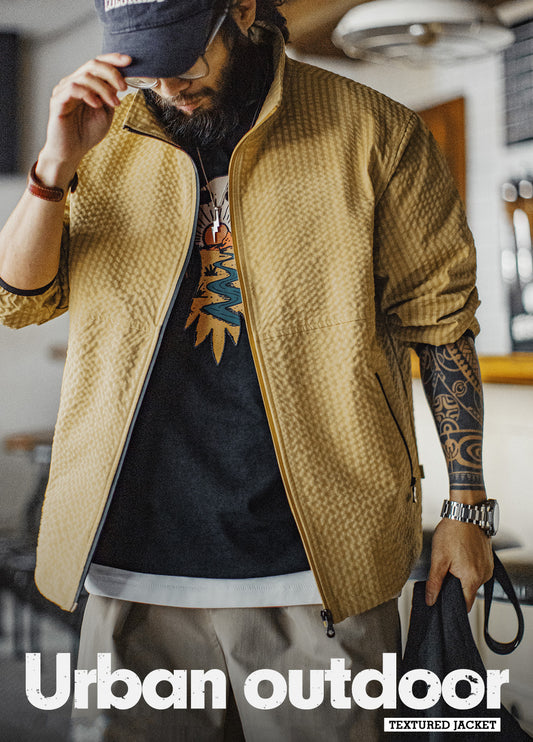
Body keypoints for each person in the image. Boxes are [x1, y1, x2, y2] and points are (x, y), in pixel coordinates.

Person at [0, 0, 495, 739]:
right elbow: (19, 301)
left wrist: (466, 508)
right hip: (130, 559)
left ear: (240, 9)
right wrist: (53, 167)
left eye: (182, 54)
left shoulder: (374, 131)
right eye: (143, 63)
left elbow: (442, 323)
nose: (167, 84)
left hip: (317, 567)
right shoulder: (103, 136)